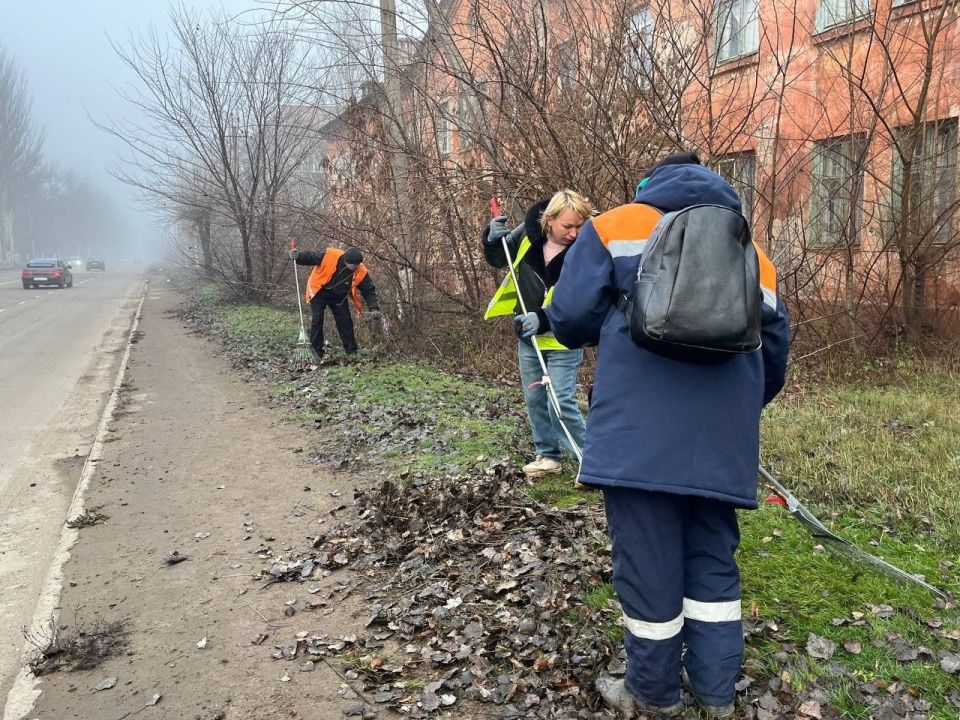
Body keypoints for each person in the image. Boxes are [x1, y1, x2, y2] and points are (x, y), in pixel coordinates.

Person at [546, 152, 790, 718]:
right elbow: (774, 354)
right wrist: (734, 411)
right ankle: (715, 693)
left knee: (649, 564)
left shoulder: (613, 226)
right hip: (721, 445)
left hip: (637, 442)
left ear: (648, 184)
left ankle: (652, 696)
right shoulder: (753, 251)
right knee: (712, 560)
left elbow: (570, 318)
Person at [483, 190, 593, 478]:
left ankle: (590, 460)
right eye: (567, 226)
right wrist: (492, 237)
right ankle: (547, 455)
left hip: (564, 338)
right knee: (534, 399)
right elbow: (499, 257)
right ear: (549, 220)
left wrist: (543, 319)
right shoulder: (527, 237)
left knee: (561, 398)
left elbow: (581, 300)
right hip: (529, 340)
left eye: (579, 226)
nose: (574, 233)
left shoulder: (586, 250)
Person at [288, 245, 380, 359]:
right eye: (354, 265)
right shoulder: (330, 255)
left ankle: (351, 351)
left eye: (358, 265)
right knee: (317, 320)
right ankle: (317, 352)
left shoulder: (360, 270)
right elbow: (312, 256)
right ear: (347, 261)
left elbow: (368, 290)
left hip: (339, 297)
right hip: (319, 291)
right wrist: (298, 256)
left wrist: (374, 307)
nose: (357, 267)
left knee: (345, 321)